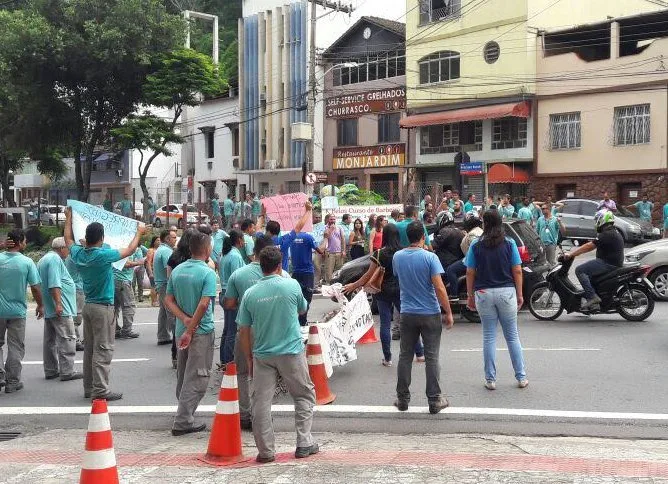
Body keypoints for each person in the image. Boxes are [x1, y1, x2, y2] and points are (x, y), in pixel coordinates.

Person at [238, 246, 318, 463]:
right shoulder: (291, 285)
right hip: (291, 351)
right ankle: (304, 442)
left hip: (262, 354)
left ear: (260, 266)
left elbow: (243, 330)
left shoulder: (250, 294)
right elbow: (302, 309)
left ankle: (265, 452)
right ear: (280, 264)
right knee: (303, 394)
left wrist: (249, 358)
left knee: (261, 403)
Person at [65, 208, 145, 401]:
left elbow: (68, 239)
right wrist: (139, 232)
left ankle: (89, 388)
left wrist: (68, 218)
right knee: (103, 349)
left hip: (89, 306)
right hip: (103, 308)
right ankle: (100, 390)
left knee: (90, 349)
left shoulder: (78, 254)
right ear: (101, 237)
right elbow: (131, 250)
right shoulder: (103, 255)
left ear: (85, 238)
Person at [225, 236, 291, 429]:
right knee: (267, 374)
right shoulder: (284, 276)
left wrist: (247, 304)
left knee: (243, 373)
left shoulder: (238, 274)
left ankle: (245, 414)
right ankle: (262, 415)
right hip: (272, 331)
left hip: (246, 329)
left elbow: (229, 304)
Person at [392, 222, 453, 414]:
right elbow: (439, 287)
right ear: (423, 237)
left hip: (407, 312)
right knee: (432, 357)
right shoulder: (430, 257)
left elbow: (398, 278)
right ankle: (434, 399)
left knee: (405, 356)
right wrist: (448, 312)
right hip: (429, 313)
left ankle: (402, 399)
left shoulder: (397, 257)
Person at [344, 224, 424, 367]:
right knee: (409, 323)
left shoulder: (379, 253)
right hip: (401, 291)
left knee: (385, 325)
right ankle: (419, 353)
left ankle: (387, 358)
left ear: (385, 236)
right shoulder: (403, 252)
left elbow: (367, 276)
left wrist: (353, 285)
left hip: (382, 291)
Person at [465, 209, 528, 391]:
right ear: (500, 223)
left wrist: (469, 296)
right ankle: (521, 377)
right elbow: (517, 270)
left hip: (483, 293)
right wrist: (520, 293)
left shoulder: (476, 245)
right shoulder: (509, 243)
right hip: (507, 292)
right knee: (512, 337)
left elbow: (470, 272)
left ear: (485, 224)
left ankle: (490, 379)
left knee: (489, 337)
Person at [164, 231, 217, 436]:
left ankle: (184, 410)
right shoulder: (207, 273)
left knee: (184, 373)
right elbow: (204, 304)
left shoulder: (178, 271)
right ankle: (183, 420)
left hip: (181, 330)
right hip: (200, 332)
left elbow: (168, 300)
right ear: (207, 250)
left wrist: (184, 321)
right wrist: (192, 326)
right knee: (198, 376)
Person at [0, 229, 43, 393]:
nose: (26, 243)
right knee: (15, 346)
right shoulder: (27, 262)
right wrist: (40, 305)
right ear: (19, 242)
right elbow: (36, 288)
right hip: (17, 311)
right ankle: (12, 382)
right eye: (24, 241)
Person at [37, 237, 82, 382]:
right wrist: (58, 304)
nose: (69, 251)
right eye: (68, 248)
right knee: (67, 338)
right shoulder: (55, 260)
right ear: (62, 248)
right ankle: (67, 371)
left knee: (50, 340)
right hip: (60, 307)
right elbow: (54, 284)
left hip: (50, 306)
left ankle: (51, 370)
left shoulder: (44, 259)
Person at [564, 210, 624, 309]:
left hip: (607, 263)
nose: (596, 222)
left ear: (602, 220)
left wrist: (572, 254)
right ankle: (593, 302)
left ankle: (592, 297)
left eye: (597, 220)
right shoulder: (613, 231)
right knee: (590, 274)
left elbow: (589, 246)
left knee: (580, 270)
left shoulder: (606, 234)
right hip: (613, 262)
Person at [258, 201, 313, 272]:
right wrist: (308, 211)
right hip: (282, 274)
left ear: (267, 230)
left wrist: (262, 214)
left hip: (265, 274)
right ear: (278, 231)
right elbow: (298, 228)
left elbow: (257, 228)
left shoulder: (261, 239)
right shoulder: (284, 240)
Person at [218, 229, 246, 367]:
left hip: (225, 293)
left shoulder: (226, 254)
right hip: (231, 295)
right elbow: (237, 278)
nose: (245, 242)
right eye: (243, 239)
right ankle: (229, 361)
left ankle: (224, 359)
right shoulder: (235, 256)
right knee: (232, 331)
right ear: (239, 240)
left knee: (228, 328)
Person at [290, 230, 325, 326]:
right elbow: (320, 250)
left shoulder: (291, 237)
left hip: (295, 272)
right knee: (306, 299)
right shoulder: (308, 237)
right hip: (307, 273)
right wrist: (326, 238)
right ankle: (302, 322)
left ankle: (296, 322)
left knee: (295, 299)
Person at [446, 211, 483, 297]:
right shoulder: (479, 231)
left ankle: (454, 295)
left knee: (451, 270)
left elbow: (475, 250)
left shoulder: (473, 235)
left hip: (472, 259)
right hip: (477, 260)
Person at [112, 246, 143, 339]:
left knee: (114, 307)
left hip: (114, 279)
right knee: (129, 306)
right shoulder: (126, 249)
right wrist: (139, 262)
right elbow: (126, 263)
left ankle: (114, 329)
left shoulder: (116, 246)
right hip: (123, 280)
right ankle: (126, 330)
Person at [154, 229, 177, 352]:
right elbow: (169, 269)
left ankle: (162, 335)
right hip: (165, 284)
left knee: (163, 311)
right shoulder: (166, 251)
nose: (175, 239)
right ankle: (176, 336)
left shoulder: (160, 250)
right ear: (167, 239)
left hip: (161, 284)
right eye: (173, 237)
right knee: (171, 312)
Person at [432, 211, 465, 276]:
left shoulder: (445, 231)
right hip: (456, 261)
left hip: (448, 263)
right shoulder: (458, 230)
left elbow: (434, 244)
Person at [65, 253, 85, 351]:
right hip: (78, 288)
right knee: (77, 315)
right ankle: (75, 340)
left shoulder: (70, 256)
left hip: (74, 287)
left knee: (75, 314)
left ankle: (73, 338)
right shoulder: (76, 256)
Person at [323, 214, 346, 284]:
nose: (333, 221)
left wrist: (343, 250)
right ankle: (329, 284)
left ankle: (337, 284)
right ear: (328, 220)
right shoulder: (324, 228)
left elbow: (343, 239)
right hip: (330, 253)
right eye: (331, 219)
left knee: (339, 270)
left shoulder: (339, 228)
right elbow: (326, 237)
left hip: (339, 252)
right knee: (329, 271)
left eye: (334, 219)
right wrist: (331, 229)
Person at [311, 211, 326, 287]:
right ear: (312, 217)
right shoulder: (307, 227)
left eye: (319, 217)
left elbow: (325, 238)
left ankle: (315, 285)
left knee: (317, 268)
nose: (318, 219)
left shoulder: (323, 227)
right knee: (309, 269)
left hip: (318, 251)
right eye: (316, 217)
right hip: (309, 252)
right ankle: (309, 284)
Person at [145, 236, 160, 307]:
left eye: (160, 240)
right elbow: (148, 262)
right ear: (154, 242)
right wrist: (150, 272)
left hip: (158, 270)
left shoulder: (160, 250)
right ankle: (154, 301)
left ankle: (157, 300)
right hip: (152, 270)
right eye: (157, 240)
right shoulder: (151, 250)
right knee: (153, 285)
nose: (159, 242)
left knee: (158, 286)